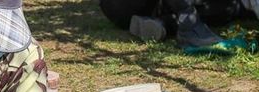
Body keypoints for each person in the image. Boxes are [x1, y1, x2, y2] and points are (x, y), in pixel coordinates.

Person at [100, 0, 259, 48]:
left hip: (157, 7)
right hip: (120, 4)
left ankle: (164, 24)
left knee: (227, 9)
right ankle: (190, 28)